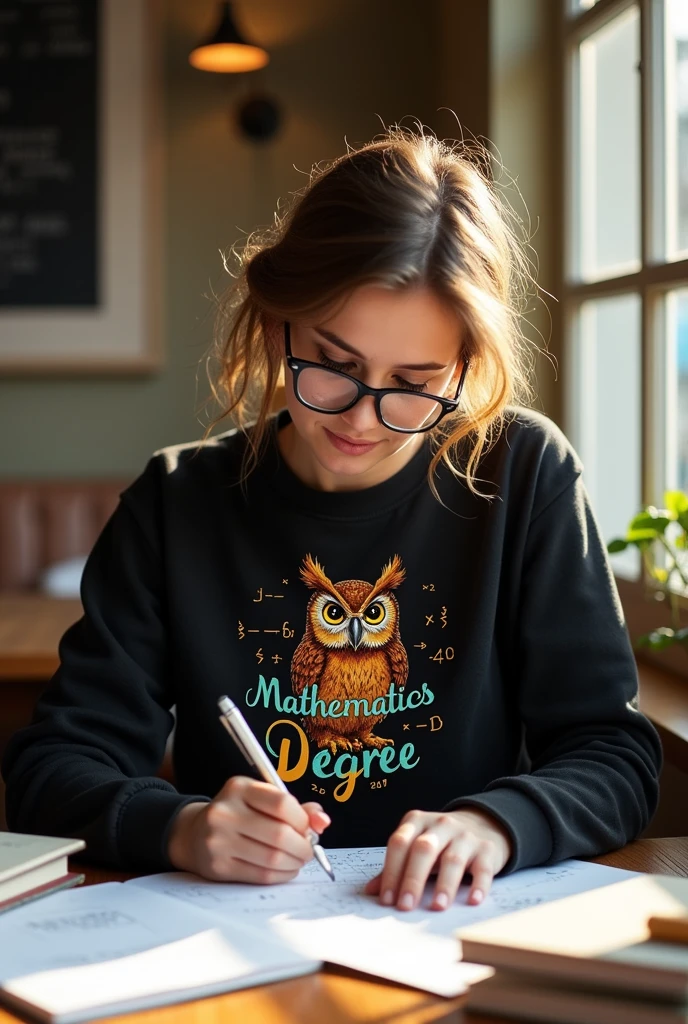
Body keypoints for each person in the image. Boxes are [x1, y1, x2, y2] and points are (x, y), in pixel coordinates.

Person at [2, 127, 661, 915]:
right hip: (240, 949)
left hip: (459, 932)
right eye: (335, 365)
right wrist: (181, 828)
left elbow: (615, 753)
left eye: (414, 383)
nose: (364, 417)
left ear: (465, 370)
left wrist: (498, 824)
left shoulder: (521, 473)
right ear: (277, 319)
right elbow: (52, 768)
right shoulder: (176, 503)